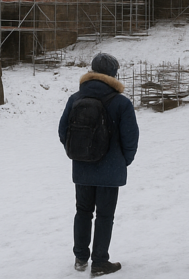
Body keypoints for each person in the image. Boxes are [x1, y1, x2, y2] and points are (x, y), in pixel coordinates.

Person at [59, 53, 139, 276]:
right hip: (110, 169)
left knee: (82, 211)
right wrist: (124, 161)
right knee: (105, 216)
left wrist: (78, 152)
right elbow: (130, 138)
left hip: (82, 167)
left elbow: (62, 131)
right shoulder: (121, 103)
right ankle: (100, 261)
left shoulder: (75, 98)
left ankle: (80, 258)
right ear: (114, 74)